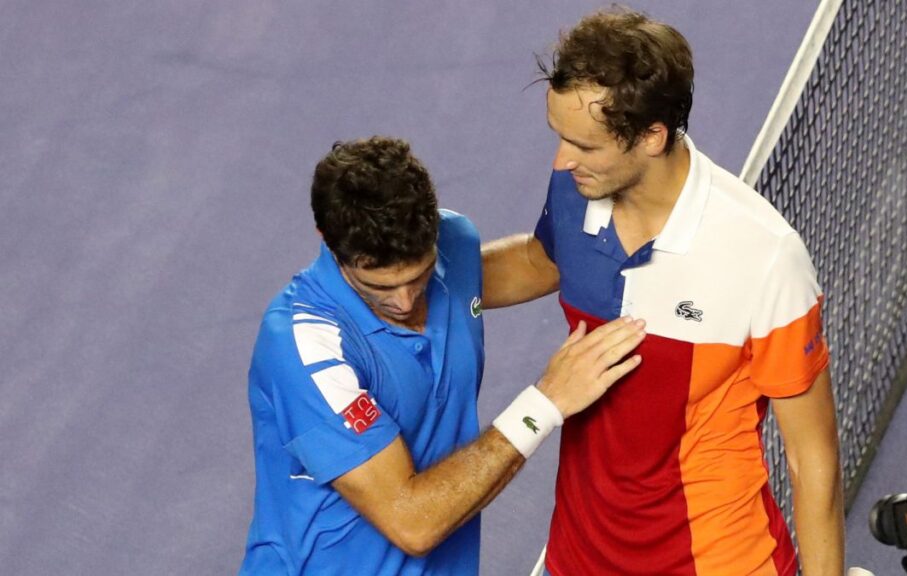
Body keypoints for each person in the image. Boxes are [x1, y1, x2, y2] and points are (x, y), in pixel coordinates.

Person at [482, 8, 844, 576]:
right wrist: (423, 278)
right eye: (561, 137)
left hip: (719, 560)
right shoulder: (578, 185)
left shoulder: (765, 257)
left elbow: (811, 459)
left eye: (585, 145)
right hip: (580, 559)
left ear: (652, 136)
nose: (562, 160)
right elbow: (542, 260)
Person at [239, 136, 646, 575]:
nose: (404, 300)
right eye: (378, 287)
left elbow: (538, 264)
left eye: (420, 275)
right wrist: (545, 403)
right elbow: (412, 522)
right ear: (327, 240)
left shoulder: (453, 242)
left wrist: (605, 165)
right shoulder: (305, 346)